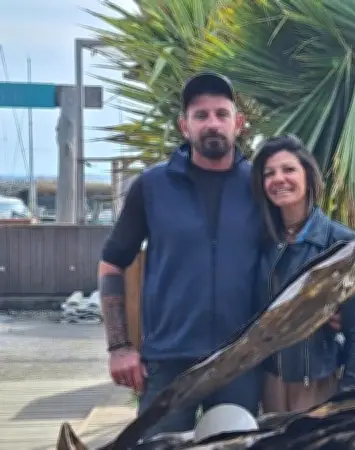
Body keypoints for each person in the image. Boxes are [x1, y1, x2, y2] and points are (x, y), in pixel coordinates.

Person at [97, 72, 263, 438]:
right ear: (184, 126)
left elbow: (291, 251)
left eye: (221, 114)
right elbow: (112, 264)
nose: (212, 123)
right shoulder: (152, 186)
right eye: (200, 115)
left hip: (239, 358)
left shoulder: (259, 185)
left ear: (238, 123)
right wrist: (119, 346)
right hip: (168, 359)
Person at [251, 135, 355, 413]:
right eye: (269, 173)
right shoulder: (262, 242)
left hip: (317, 383)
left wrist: (350, 390)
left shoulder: (340, 242)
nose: (279, 179)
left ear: (308, 176)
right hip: (269, 383)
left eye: (288, 169)